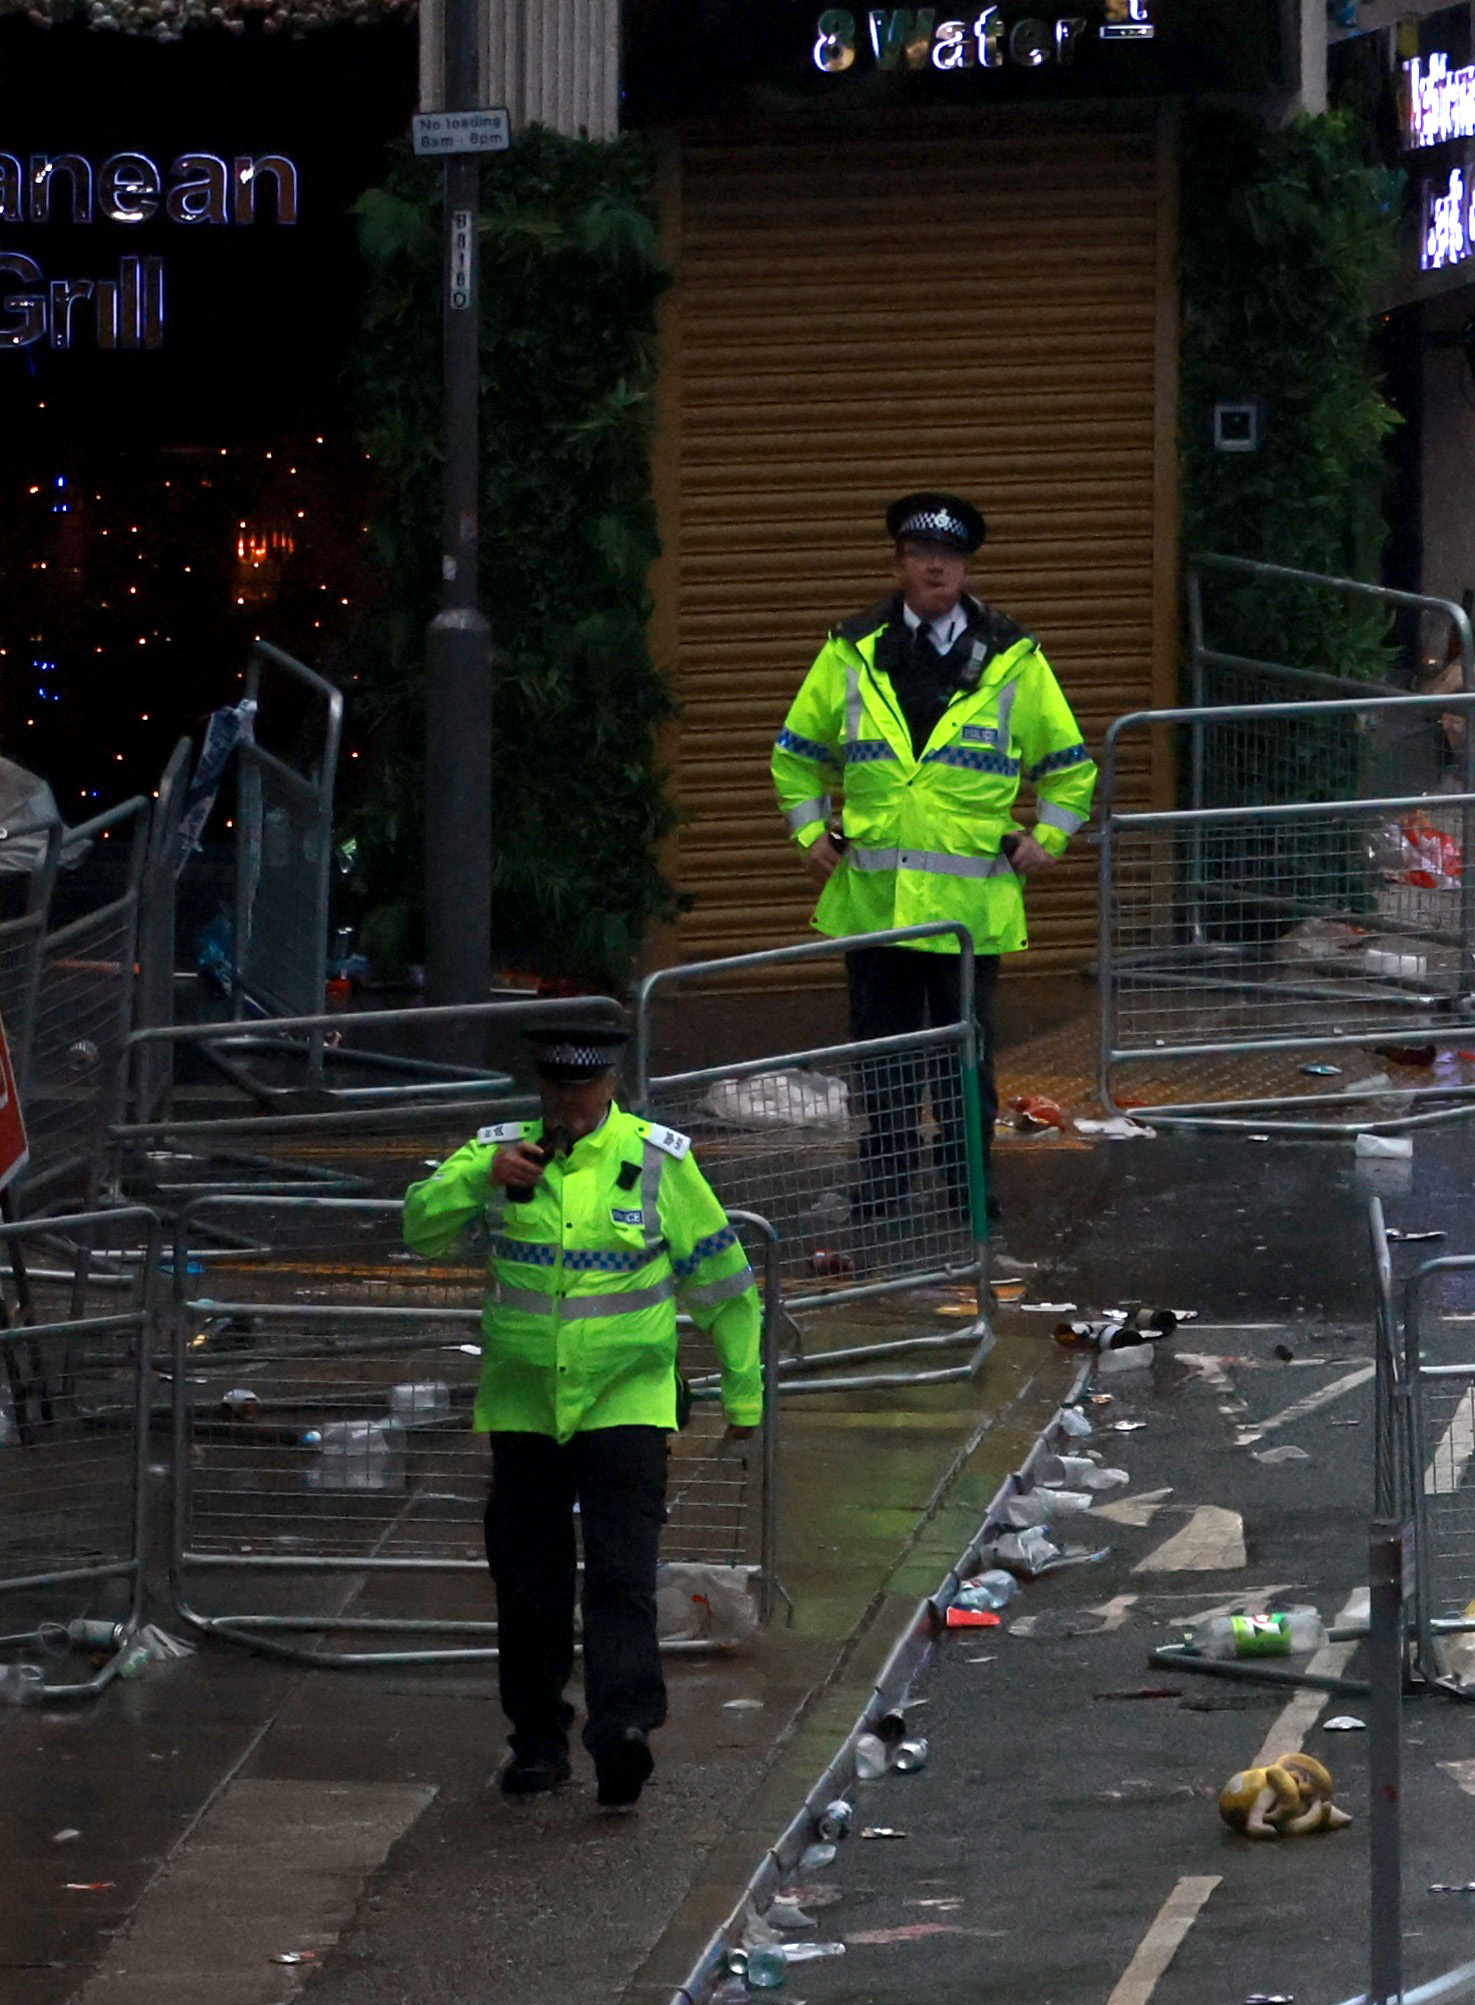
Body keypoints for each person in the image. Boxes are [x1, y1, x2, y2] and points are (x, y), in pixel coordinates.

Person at [405, 1033, 763, 1813]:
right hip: (525, 1405)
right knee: (528, 1584)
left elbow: (726, 1283)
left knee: (621, 1575)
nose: (570, 1103)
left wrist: (745, 1394)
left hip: (625, 1401)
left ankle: (623, 1731)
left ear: (612, 1084)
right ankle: (537, 1741)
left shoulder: (659, 1160)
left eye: (585, 1087)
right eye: (557, 1089)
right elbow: (419, 1229)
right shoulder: (500, 1154)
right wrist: (476, 1182)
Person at [772, 493, 1094, 1248]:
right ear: (900, 564)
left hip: (966, 912)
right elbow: (796, 753)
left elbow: (1071, 769)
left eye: (949, 557)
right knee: (881, 1066)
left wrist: (1048, 837)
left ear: (965, 568)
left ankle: (969, 1201)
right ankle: (881, 1201)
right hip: (877, 904)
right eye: (921, 554)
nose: (936, 566)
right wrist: (810, 832)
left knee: (963, 1071)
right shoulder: (851, 650)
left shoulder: (1014, 656)